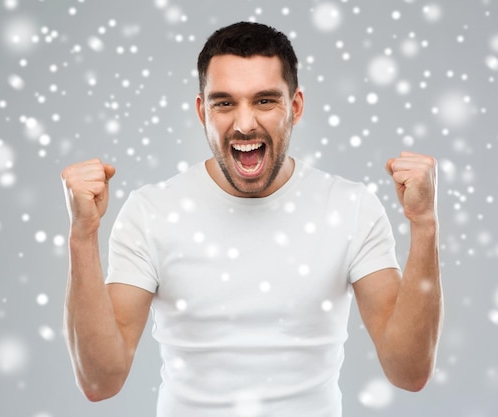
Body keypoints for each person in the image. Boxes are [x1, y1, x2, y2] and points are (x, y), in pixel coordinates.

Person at [61, 21, 443, 417]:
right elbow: (99, 381)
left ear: (294, 107)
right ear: (202, 110)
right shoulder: (151, 212)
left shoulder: (351, 207)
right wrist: (82, 235)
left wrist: (424, 223)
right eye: (224, 103)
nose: (244, 124)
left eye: (264, 101)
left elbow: (409, 371)